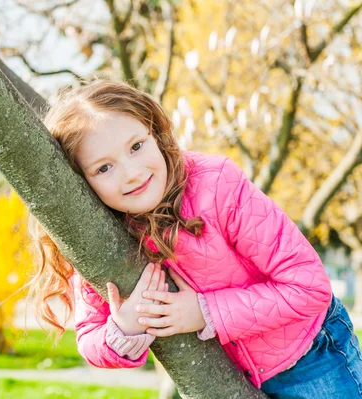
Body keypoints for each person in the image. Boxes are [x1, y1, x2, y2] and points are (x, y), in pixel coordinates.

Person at [26, 78, 362, 397]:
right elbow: (89, 338)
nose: (131, 173)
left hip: (311, 354)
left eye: (137, 146)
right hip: (225, 378)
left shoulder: (215, 187)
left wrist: (207, 312)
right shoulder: (98, 235)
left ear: (155, 133)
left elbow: (309, 286)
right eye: (103, 168)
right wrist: (125, 327)